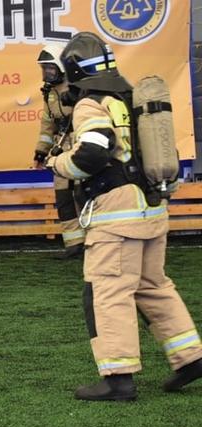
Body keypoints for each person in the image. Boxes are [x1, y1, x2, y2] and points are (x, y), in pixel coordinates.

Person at [47, 32, 202, 400]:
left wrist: (58, 163)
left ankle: (118, 378)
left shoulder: (91, 104)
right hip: (152, 208)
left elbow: (91, 156)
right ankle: (191, 359)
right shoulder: (131, 97)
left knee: (108, 292)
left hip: (116, 217)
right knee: (153, 286)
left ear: (74, 72)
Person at [33, 42, 85, 259]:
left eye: (50, 68)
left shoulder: (80, 89)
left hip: (81, 147)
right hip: (61, 150)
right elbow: (48, 125)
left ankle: (94, 242)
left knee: (83, 195)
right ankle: (74, 244)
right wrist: (41, 151)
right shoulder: (50, 93)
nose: (47, 73)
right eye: (44, 68)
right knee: (63, 198)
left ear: (62, 67)